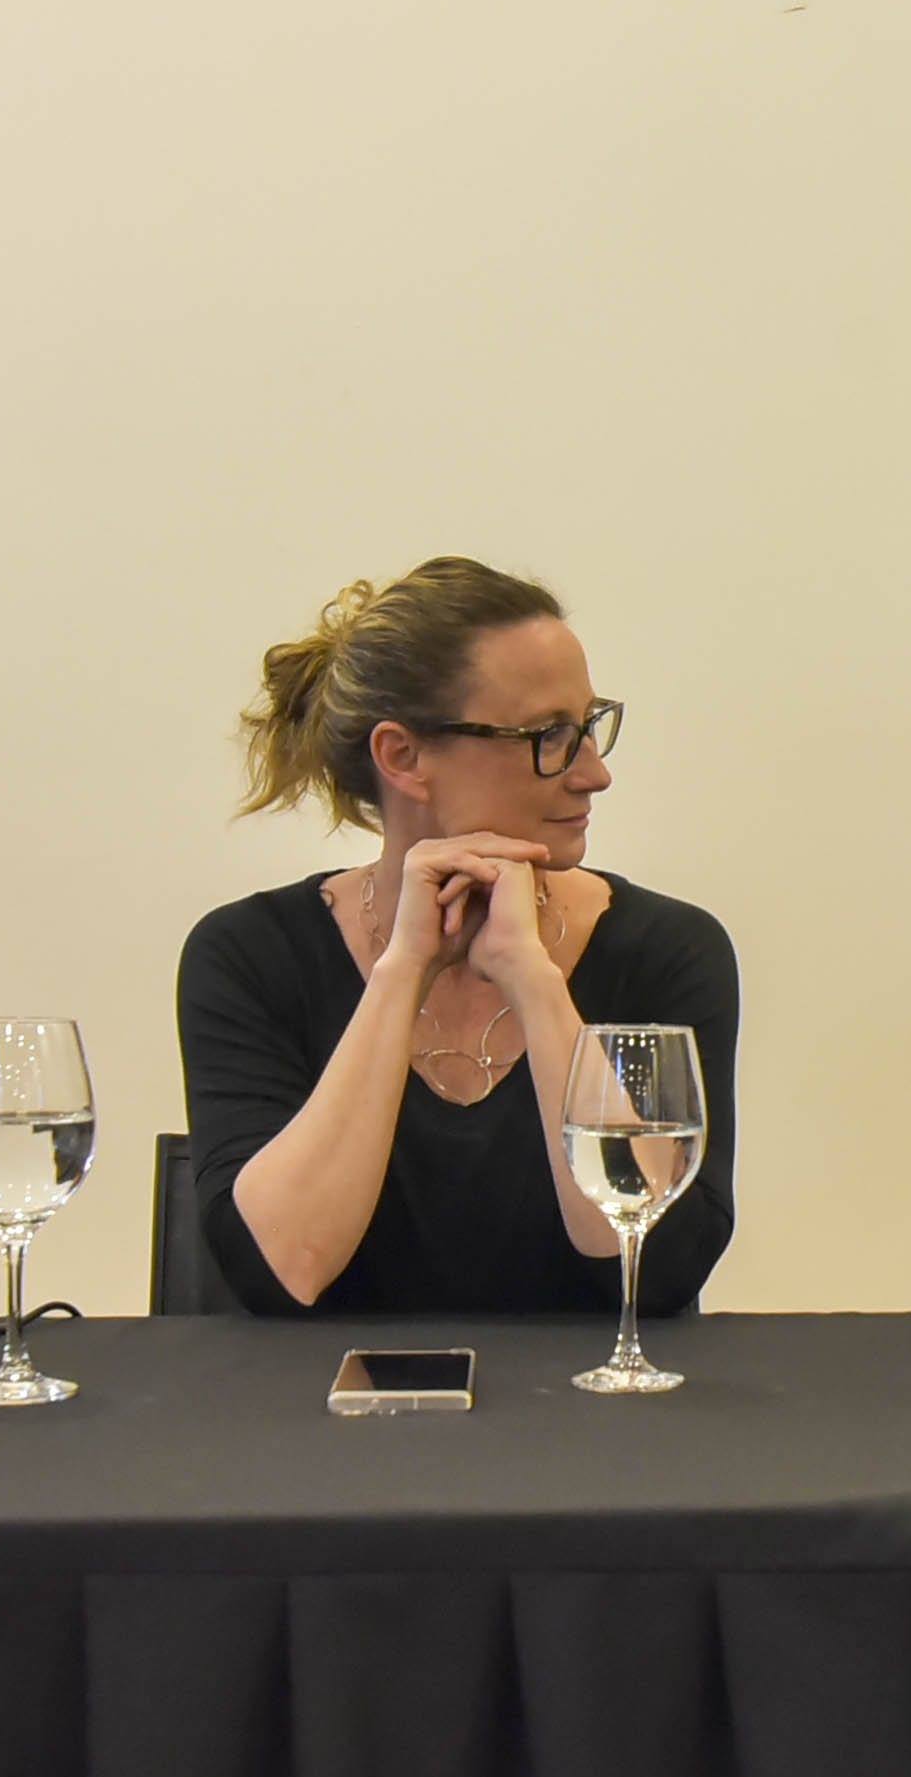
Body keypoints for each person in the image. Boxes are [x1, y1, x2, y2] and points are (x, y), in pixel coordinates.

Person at [179, 557, 738, 1317]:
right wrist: (403, 968)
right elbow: (282, 1272)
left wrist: (532, 979)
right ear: (403, 757)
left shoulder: (668, 950)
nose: (593, 774)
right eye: (549, 735)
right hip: (333, 1397)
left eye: (589, 726)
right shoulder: (250, 955)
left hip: (596, 1396)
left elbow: (656, 1269)